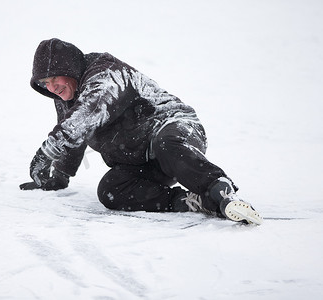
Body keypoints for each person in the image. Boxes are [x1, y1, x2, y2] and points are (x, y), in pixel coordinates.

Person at [20, 38, 262, 225]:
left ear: (69, 67)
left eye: (54, 78)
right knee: (111, 190)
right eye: (44, 83)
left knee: (168, 144)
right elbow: (76, 134)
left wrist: (45, 153)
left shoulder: (107, 74)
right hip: (141, 158)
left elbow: (86, 115)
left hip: (174, 128)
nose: (51, 88)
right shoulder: (67, 97)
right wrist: (58, 177)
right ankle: (191, 202)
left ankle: (221, 192)